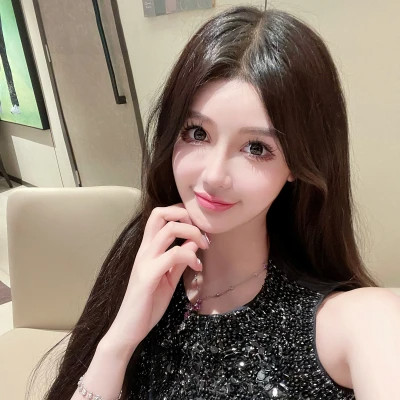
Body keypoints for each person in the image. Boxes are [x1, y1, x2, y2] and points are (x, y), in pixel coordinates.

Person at [30, 5, 400, 400]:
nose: (213, 175)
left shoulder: (357, 320)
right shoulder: (143, 264)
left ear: (299, 163)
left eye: (256, 147)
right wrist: (119, 340)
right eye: (197, 133)